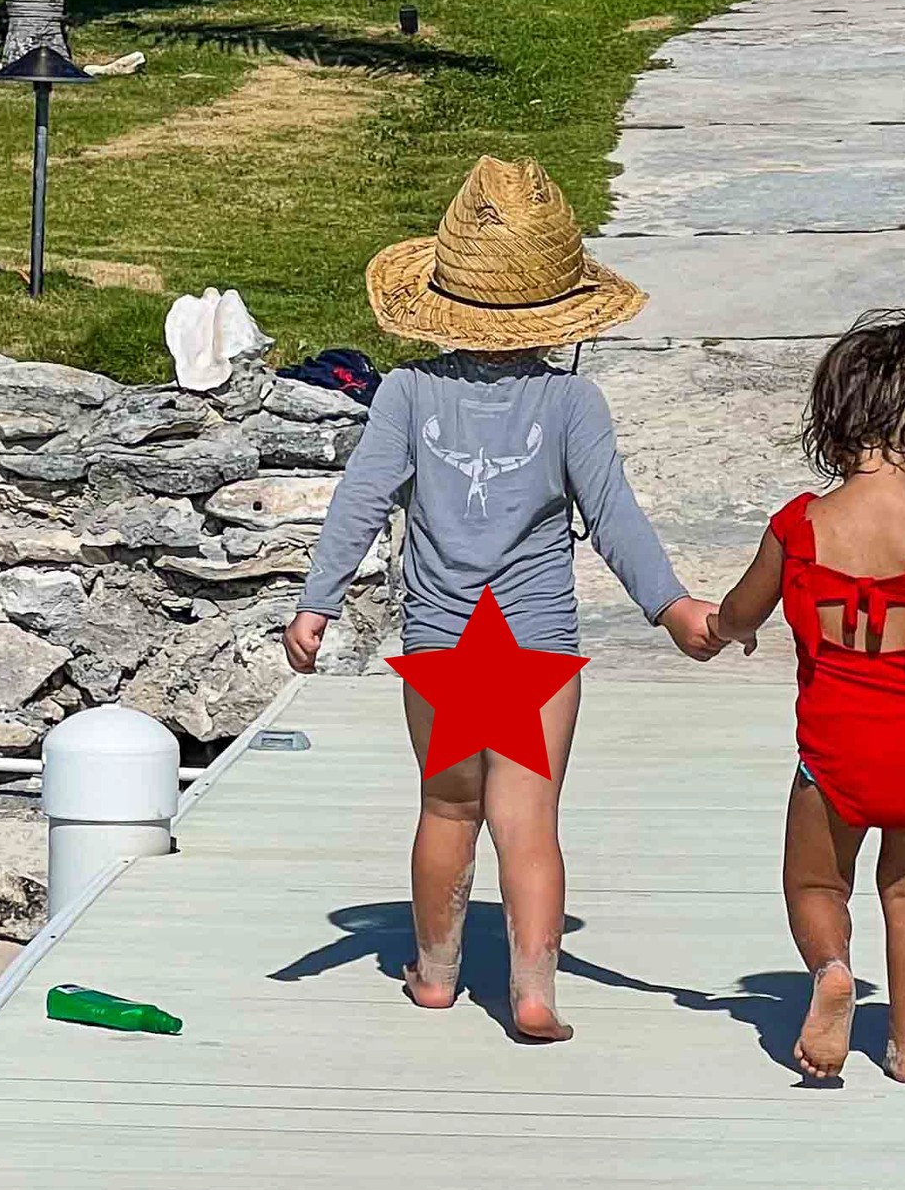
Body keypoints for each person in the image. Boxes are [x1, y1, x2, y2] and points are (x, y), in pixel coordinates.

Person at [281, 155, 726, 1044]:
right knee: (528, 820)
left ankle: (437, 975)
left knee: (448, 808)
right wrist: (671, 607)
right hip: (536, 647)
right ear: (558, 312)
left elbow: (361, 500)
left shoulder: (405, 393)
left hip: (442, 644)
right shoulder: (572, 403)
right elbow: (614, 518)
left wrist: (316, 601)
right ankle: (532, 992)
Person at [712, 309, 905, 1086]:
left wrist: (722, 627)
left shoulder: (801, 526)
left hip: (833, 750)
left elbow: (744, 609)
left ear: (834, 425)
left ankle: (829, 970)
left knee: (816, 882)